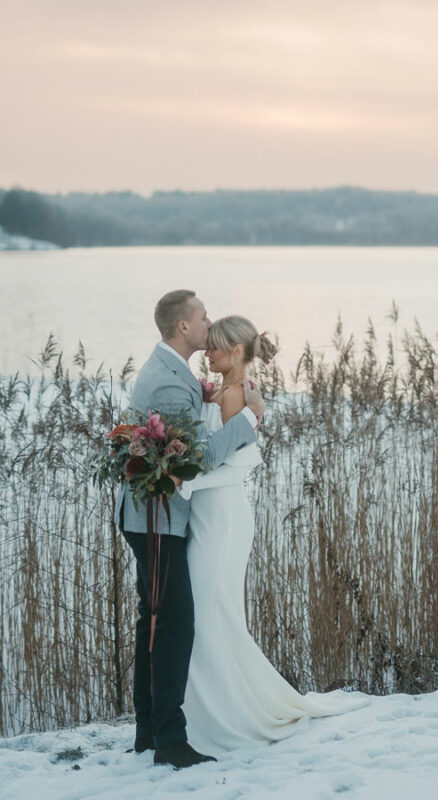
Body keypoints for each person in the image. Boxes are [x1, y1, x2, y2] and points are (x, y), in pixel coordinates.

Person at [178, 315, 368, 754]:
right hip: (212, 513)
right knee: (213, 613)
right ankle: (214, 710)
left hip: (221, 515)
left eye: (218, 348)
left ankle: (224, 716)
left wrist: (185, 482)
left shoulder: (234, 395)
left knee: (210, 611)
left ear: (239, 353)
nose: (209, 352)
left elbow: (233, 465)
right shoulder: (227, 391)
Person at [115, 291, 265, 769]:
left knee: (155, 623)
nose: (209, 322)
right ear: (183, 326)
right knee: (171, 623)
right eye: (202, 316)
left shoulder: (174, 374)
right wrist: (246, 420)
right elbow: (197, 460)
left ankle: (150, 733)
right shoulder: (168, 382)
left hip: (157, 518)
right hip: (156, 520)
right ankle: (171, 741)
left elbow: (187, 442)